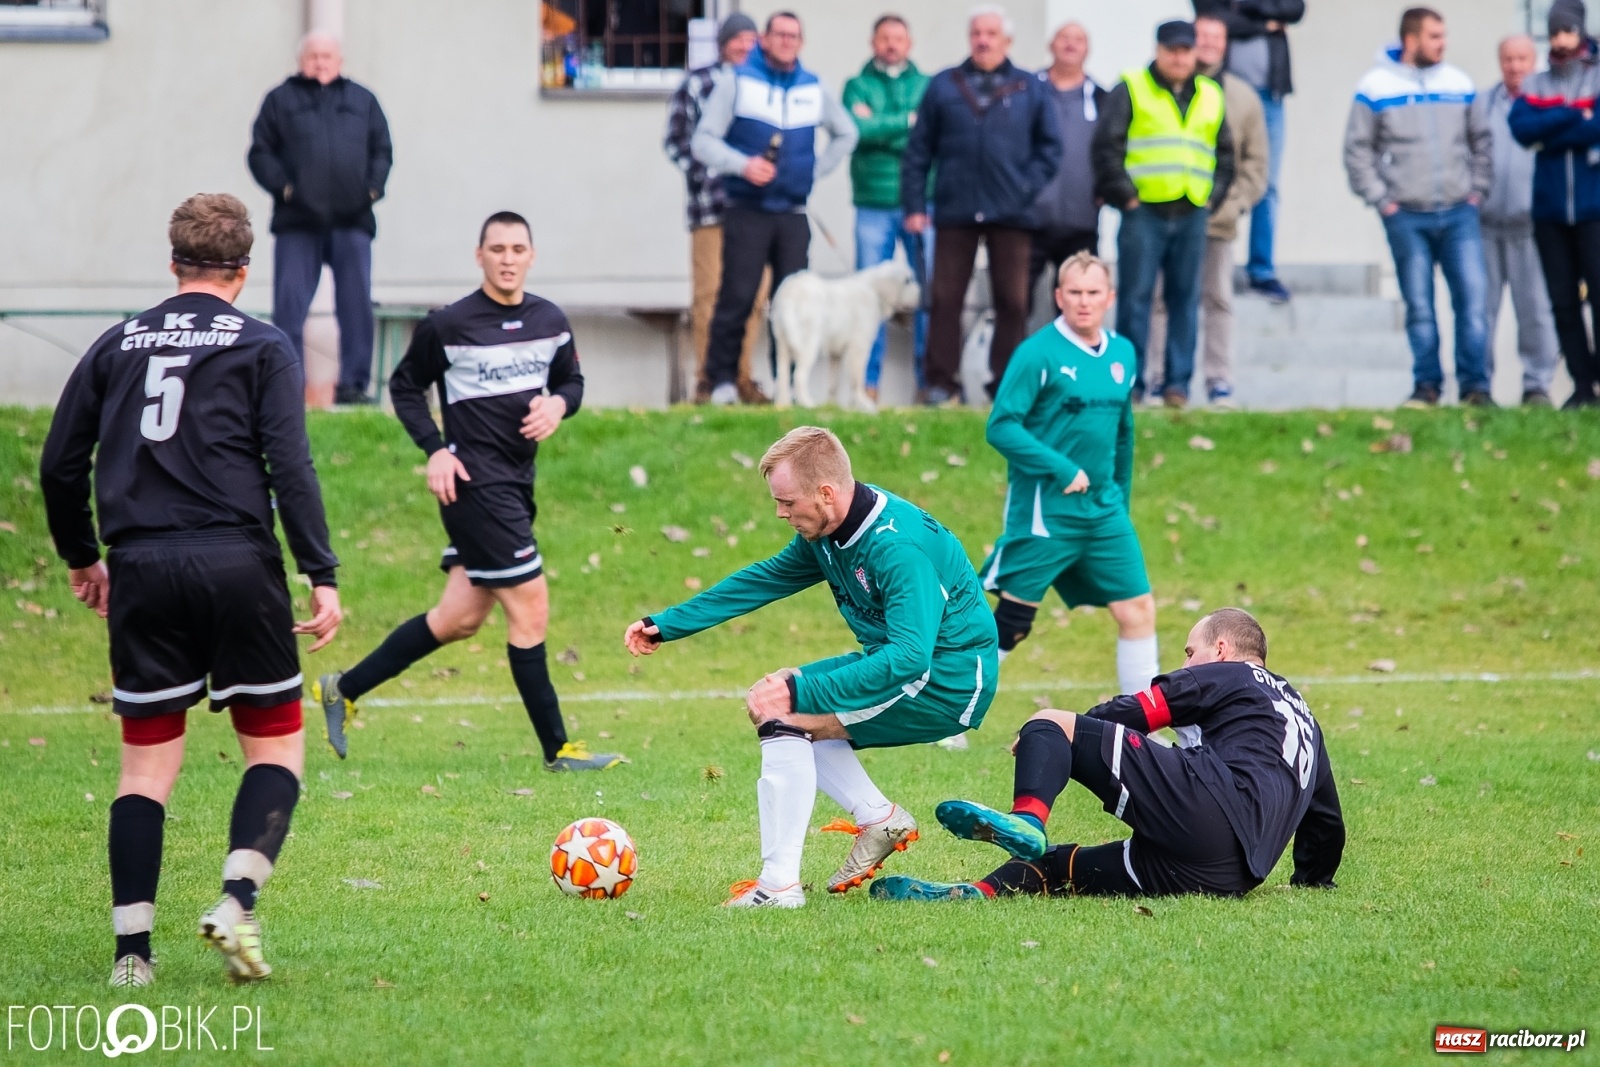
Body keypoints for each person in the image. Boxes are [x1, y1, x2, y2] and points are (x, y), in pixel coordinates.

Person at [38, 194, 344, 986]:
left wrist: (83, 555)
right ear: (244, 271)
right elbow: (290, 467)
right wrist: (322, 573)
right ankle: (236, 902)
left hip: (141, 565)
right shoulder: (265, 345)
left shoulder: (117, 343)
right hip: (238, 563)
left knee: (144, 772)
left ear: (173, 265)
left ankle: (132, 957)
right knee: (275, 746)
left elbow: (59, 464)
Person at [623, 427, 1000, 907]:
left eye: (786, 502)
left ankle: (779, 887)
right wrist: (669, 624)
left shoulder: (895, 546)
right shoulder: (830, 528)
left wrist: (801, 694)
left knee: (783, 709)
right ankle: (876, 819)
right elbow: (767, 578)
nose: (780, 513)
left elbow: (910, 657)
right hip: (904, 663)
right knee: (777, 705)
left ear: (826, 493)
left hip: (946, 680)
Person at [312, 213, 622, 772]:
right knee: (531, 607)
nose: (507, 257)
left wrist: (558, 403)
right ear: (479, 255)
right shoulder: (448, 325)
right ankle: (558, 750)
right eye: (497, 248)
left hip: (516, 485)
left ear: (531, 255)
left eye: (518, 248)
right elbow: (404, 387)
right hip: (475, 487)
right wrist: (435, 448)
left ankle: (343, 687)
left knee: (458, 618)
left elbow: (571, 380)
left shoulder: (550, 320)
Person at [871, 609, 1345, 901]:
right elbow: (1325, 822)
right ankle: (975, 893)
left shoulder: (1231, 674)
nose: (1184, 665)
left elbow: (1140, 711)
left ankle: (1028, 822)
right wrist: (1312, 881)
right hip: (1228, 873)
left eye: (1189, 652)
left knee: (1048, 720)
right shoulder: (1305, 721)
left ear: (1221, 649)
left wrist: (1055, 735)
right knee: (1060, 869)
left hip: (1210, 809)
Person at [977, 251, 1158, 698]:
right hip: (1046, 510)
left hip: (1104, 510)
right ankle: (947, 716)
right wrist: (1059, 467)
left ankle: (1147, 727)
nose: (1083, 301)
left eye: (1093, 292)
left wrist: (1121, 501)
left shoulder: (1122, 353)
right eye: (1074, 292)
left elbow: (1123, 433)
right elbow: (1000, 425)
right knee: (1013, 623)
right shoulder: (1036, 354)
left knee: (1137, 609)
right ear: (1058, 296)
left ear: (1109, 297)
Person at [691, 11, 858, 406]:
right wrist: (743, 165)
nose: (786, 41)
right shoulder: (737, 81)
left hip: (793, 213)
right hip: (747, 208)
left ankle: (793, 385)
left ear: (801, 42)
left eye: (793, 36)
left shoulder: (814, 87)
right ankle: (723, 382)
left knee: (797, 301)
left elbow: (847, 132)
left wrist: (813, 171)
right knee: (738, 295)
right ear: (764, 40)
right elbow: (703, 141)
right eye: (779, 34)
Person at [901, 5, 1062, 404]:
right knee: (945, 298)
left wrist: (1026, 189)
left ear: (1007, 41)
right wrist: (915, 205)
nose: (983, 40)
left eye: (991, 34)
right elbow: (919, 151)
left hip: (1013, 213)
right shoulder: (944, 85)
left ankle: (1004, 385)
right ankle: (941, 384)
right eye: (977, 33)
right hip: (955, 209)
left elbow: (1051, 148)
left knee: (1012, 300)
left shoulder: (1030, 87)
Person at [1343, 7, 1493, 409]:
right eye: (1434, 36)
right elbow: (1358, 150)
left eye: (1443, 36)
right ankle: (1426, 387)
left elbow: (1482, 141)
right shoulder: (1375, 87)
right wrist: (1382, 200)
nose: (1442, 44)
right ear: (1411, 40)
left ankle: (1476, 387)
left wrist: (1477, 190)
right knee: (1420, 306)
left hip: (1460, 212)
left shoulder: (1459, 83)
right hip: (1406, 216)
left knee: (1473, 303)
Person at [1094, 19, 1236, 407]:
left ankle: (1177, 385)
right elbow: (1106, 147)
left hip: (1191, 211)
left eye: (1185, 51)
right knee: (1136, 299)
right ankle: (1131, 383)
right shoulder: (1132, 88)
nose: (1179, 58)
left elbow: (1226, 155)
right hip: (1144, 212)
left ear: (1194, 54)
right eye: (1172, 50)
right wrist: (1126, 196)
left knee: (1184, 299)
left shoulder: (1211, 93)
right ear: (1158, 50)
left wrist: (1211, 200)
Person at [247, 33, 392, 406]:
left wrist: (372, 191)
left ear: (340, 60)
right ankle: (288, 390)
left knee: (356, 307)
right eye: (313, 56)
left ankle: (354, 386)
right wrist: (286, 190)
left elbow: (382, 150)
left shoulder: (363, 100)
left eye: (327, 56)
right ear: (301, 61)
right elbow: (260, 153)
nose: (320, 62)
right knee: (289, 310)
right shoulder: (280, 100)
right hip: (298, 223)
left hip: (352, 221)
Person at [1146, 14, 1268, 407]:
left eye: (1217, 38)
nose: (1209, 45)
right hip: (1168, 218)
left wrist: (1230, 205)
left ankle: (1219, 380)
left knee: (1216, 299)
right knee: (1163, 299)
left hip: (1216, 222)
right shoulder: (1162, 90)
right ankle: (1159, 377)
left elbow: (1253, 164)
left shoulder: (1242, 97)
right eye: (1203, 38)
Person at [663, 13, 772, 405]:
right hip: (711, 209)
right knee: (709, 294)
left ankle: (742, 377)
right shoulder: (696, 84)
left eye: (750, 40)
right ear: (723, 44)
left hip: (758, 210)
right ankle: (708, 380)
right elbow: (676, 142)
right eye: (737, 40)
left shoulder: (763, 84)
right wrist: (710, 172)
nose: (744, 47)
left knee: (753, 297)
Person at [1508, 0, 1600, 408]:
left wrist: (1553, 134)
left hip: (1593, 209)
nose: (1561, 38)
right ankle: (1582, 387)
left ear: (1580, 32)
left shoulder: (1596, 78)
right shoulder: (1536, 84)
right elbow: (1522, 129)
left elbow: (1596, 126)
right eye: (1555, 31)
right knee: (1562, 302)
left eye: (1568, 30)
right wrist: (1573, 117)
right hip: (1548, 212)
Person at [1193, 0, 1305, 304]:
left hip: (1270, 94)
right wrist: (1265, 22)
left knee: (1267, 184)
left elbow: (1295, 10)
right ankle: (1199, 257)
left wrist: (1247, 10)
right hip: (1222, 90)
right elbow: (1217, 21)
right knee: (1210, 172)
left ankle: (1262, 270)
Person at [843, 14, 931, 401]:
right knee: (868, 296)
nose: (892, 44)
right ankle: (867, 385)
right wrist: (906, 124)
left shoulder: (928, 87)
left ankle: (928, 384)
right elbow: (857, 133)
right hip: (872, 202)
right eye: (885, 38)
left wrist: (880, 127)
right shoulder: (856, 86)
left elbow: (927, 139)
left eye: (899, 38)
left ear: (909, 44)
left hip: (920, 202)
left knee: (926, 292)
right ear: (872, 42)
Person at [1477, 35, 1561, 407]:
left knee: (1536, 311)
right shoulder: (1482, 104)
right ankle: (1477, 385)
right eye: (1508, 59)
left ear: (1534, 60)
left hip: (1532, 226)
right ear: (1500, 62)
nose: (1515, 67)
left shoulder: (1547, 103)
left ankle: (1537, 385)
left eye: (1522, 59)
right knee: (1480, 311)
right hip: (1484, 225)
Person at [1027, 22, 1108, 315]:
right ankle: (1014, 363)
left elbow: (1113, 150)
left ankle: (1072, 363)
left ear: (1088, 49)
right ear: (1051, 45)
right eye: (1064, 37)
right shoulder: (1026, 90)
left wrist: (1105, 189)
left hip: (1081, 224)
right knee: (1014, 304)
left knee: (1078, 309)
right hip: (1028, 220)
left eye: (1079, 39)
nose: (1071, 44)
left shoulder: (1102, 98)